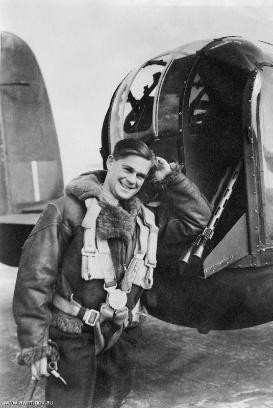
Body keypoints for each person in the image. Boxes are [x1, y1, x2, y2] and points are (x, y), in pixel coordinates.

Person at [13, 138, 211, 408]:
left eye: (141, 175)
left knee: (110, 402)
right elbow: (34, 280)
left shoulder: (144, 219)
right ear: (110, 163)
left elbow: (198, 220)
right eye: (127, 170)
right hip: (72, 334)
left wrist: (171, 180)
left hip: (120, 332)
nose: (133, 180)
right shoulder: (67, 210)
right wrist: (35, 346)